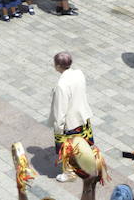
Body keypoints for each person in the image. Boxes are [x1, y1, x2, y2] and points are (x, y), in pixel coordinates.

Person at [50, 51, 94, 182]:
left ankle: (69, 173)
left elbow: (60, 110)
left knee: (67, 149)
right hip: (83, 116)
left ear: (58, 66)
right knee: (83, 146)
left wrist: (58, 128)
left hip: (70, 122)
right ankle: (84, 166)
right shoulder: (79, 74)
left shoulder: (61, 85)